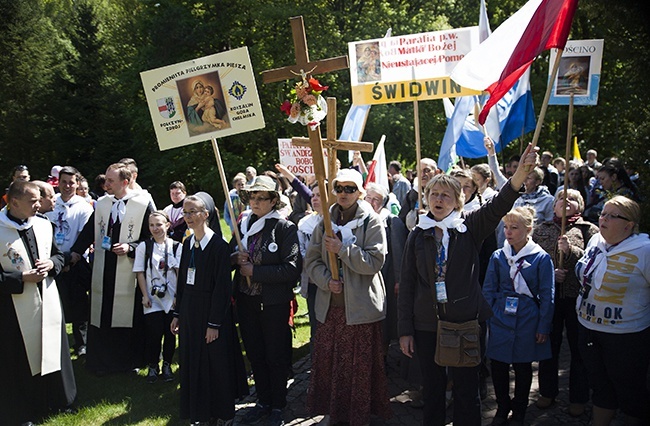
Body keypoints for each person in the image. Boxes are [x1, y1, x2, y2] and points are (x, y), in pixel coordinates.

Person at [398, 144, 538, 426]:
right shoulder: (418, 234)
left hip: (463, 322)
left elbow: (500, 204)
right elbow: (408, 284)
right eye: (434, 194)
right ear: (426, 198)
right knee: (433, 391)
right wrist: (405, 331)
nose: (439, 199)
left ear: (457, 201)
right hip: (426, 324)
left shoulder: (469, 226)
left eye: (445, 195)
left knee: (465, 391)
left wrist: (520, 174)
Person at [305, 169, 391, 426]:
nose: (344, 193)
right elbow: (311, 260)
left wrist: (343, 250)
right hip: (331, 307)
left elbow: (375, 262)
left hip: (360, 310)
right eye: (339, 188)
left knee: (358, 367)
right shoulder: (325, 222)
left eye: (350, 189)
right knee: (331, 365)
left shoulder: (371, 221)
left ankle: (359, 416)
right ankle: (333, 413)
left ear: (360, 192)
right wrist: (326, 281)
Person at [0, 180, 76, 425]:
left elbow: (57, 255)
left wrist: (52, 263)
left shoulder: (43, 224)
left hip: (48, 299)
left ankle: (61, 401)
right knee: (19, 361)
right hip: (13, 308)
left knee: (53, 350)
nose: (39, 205)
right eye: (33, 201)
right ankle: (23, 411)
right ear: (14, 202)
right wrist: (21, 277)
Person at [71, 163, 155, 374]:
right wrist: (75, 253)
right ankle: (102, 361)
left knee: (127, 316)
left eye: (110, 181)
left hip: (128, 271)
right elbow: (89, 231)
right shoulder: (102, 204)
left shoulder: (142, 203)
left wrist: (131, 247)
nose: (105, 184)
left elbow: (152, 237)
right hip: (103, 269)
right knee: (102, 314)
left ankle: (128, 362)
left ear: (125, 182)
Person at [171, 193, 248, 425]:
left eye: (193, 212)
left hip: (211, 316)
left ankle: (220, 414)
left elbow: (222, 290)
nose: (188, 217)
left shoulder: (218, 247)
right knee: (194, 363)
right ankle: (201, 412)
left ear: (206, 214)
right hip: (190, 314)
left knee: (215, 366)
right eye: (185, 212)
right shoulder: (187, 244)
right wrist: (177, 314)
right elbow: (183, 281)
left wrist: (214, 324)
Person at [232, 175, 301, 426]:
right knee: (256, 354)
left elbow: (292, 269)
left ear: (273, 201)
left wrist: (256, 272)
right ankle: (262, 400)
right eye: (252, 196)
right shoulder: (244, 224)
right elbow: (231, 255)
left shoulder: (284, 228)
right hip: (247, 302)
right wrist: (235, 258)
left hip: (273, 304)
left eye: (261, 198)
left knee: (275, 355)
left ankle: (278, 405)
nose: (255, 202)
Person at [575, 196, 650, 425]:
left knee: (630, 390)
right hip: (588, 329)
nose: (603, 219)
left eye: (611, 216)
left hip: (626, 337)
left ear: (629, 225)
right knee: (600, 386)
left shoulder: (645, 250)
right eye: (602, 214)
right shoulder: (595, 240)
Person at [483, 206, 555, 426]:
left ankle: (520, 408)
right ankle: (503, 406)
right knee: (498, 365)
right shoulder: (498, 255)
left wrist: (543, 325)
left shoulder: (541, 258)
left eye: (514, 227)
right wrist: (490, 315)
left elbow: (547, 294)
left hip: (527, 319)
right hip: (500, 318)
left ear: (528, 229)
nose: (508, 232)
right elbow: (488, 289)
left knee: (523, 367)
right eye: (506, 227)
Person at [532, 189, 598, 417]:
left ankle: (578, 396)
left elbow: (594, 260)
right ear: (554, 205)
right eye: (561, 198)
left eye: (571, 199)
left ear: (580, 205)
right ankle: (547, 391)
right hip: (549, 298)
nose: (565, 201)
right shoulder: (542, 230)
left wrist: (570, 251)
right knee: (548, 346)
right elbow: (532, 260)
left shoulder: (589, 230)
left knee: (579, 348)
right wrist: (551, 272)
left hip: (577, 297)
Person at [45, 167, 94, 356]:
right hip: (52, 260)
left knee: (79, 303)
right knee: (54, 304)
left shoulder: (84, 206)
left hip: (75, 259)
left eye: (71, 182)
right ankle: (56, 344)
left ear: (77, 183)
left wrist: (73, 257)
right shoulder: (51, 203)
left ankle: (81, 344)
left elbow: (85, 235)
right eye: (64, 182)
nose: (67, 186)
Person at [134, 211, 181, 384]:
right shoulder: (144, 247)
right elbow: (139, 272)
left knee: (170, 333)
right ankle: (153, 365)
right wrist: (145, 295)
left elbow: (180, 274)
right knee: (154, 333)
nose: (155, 228)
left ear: (167, 225)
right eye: (152, 225)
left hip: (171, 297)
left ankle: (167, 365)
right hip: (152, 298)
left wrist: (178, 296)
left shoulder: (176, 247)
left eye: (159, 224)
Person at [365, 182, 408, 349]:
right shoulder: (359, 219)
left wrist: (398, 279)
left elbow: (399, 252)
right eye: (369, 198)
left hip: (387, 276)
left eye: (377, 199)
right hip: (366, 276)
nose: (372, 202)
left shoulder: (391, 221)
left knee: (385, 318)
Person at [399, 157, 439, 230]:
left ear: (437, 172)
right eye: (419, 171)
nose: (422, 174)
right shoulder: (412, 195)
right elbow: (402, 220)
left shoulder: (442, 193)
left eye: (426, 170)